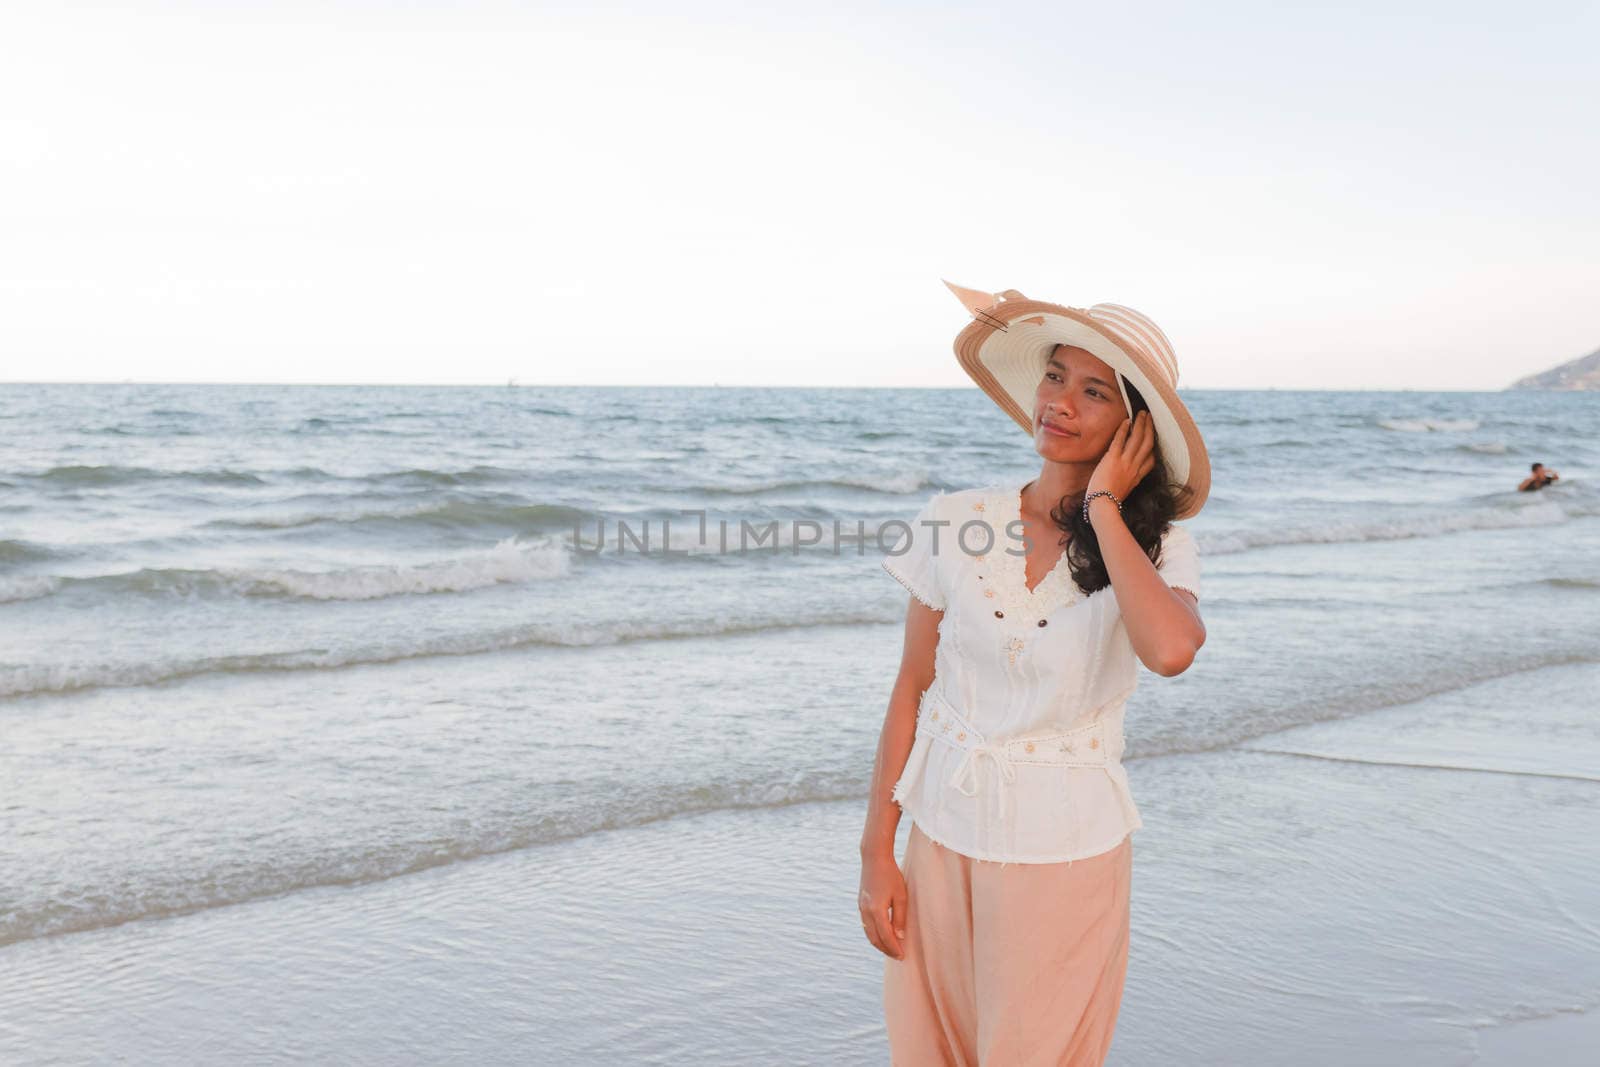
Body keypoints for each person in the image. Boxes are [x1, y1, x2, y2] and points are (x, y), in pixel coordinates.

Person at [859, 282, 1211, 1066]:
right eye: (1056, 376)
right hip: (940, 838)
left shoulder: (1156, 548)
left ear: (1136, 431)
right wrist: (876, 850)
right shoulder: (958, 518)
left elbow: (1172, 650)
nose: (1060, 401)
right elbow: (912, 686)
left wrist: (1107, 511)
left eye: (1093, 391)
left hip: (1065, 850)